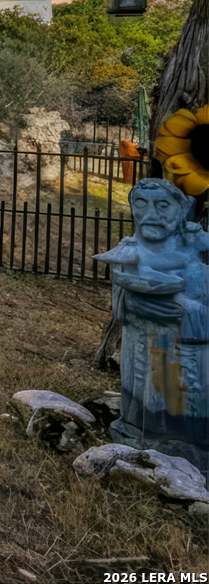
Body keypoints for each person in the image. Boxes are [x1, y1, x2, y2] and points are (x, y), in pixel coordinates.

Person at [94, 178, 209, 467]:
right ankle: (142, 434)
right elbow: (121, 303)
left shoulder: (197, 247)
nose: (151, 215)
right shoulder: (128, 250)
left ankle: (189, 444)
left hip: (192, 349)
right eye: (141, 204)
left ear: (182, 211)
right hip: (144, 344)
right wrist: (135, 303)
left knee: (186, 401)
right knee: (149, 403)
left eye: (162, 206)